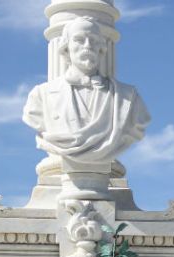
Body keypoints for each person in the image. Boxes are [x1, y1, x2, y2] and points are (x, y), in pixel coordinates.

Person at [22, 16, 150, 165]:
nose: (88, 46)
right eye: (79, 40)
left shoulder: (128, 97)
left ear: (101, 48)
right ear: (66, 46)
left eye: (94, 40)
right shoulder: (41, 95)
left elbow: (138, 126)